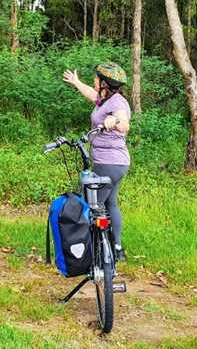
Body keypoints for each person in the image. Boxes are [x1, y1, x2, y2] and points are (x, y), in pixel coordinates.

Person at [63, 62, 132, 261]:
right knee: (110, 203)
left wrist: (115, 122)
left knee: (91, 205)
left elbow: (124, 122)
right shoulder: (104, 99)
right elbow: (90, 94)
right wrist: (76, 82)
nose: (93, 80)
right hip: (117, 163)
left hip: (108, 163)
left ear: (104, 83)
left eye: (96, 78)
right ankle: (116, 248)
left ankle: (88, 252)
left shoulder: (117, 103)